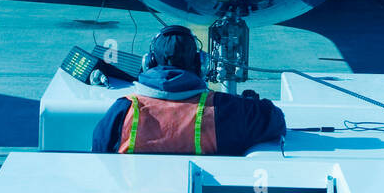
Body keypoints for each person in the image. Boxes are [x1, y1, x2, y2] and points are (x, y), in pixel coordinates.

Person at [91, 24, 285, 156]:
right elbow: (276, 120)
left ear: (148, 62)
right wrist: (249, 104)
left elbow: (100, 155)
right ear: (200, 64)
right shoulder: (224, 109)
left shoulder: (123, 110)